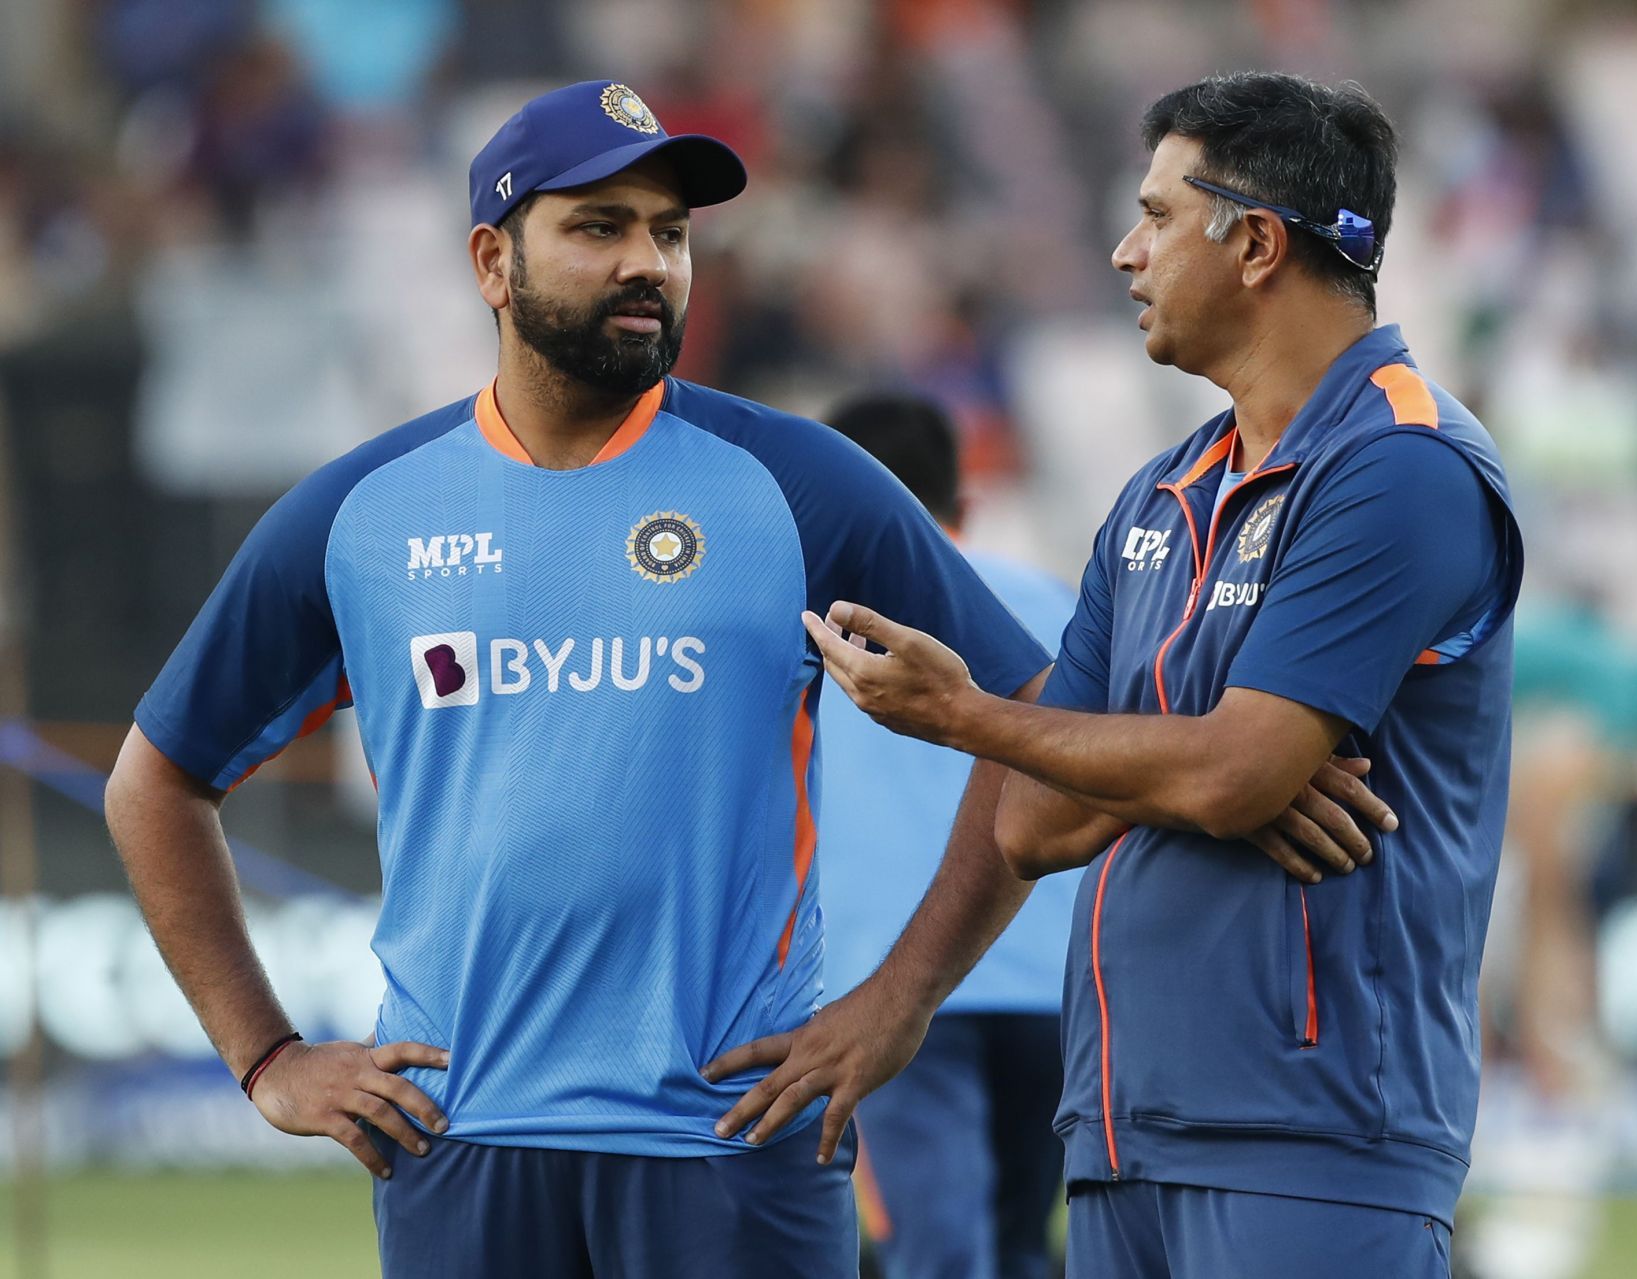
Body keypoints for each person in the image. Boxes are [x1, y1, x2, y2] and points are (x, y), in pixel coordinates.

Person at [103, 79, 1376, 1277]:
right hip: (456, 1144)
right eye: (598, 227)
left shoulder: (801, 484)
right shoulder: (362, 510)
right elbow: (155, 783)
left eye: (669, 231)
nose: (647, 262)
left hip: (734, 1144)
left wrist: (899, 999)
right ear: (493, 262)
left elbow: (1044, 730)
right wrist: (266, 1055)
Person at [778, 72, 1524, 1277]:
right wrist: (1184, 759)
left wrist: (976, 716)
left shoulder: (1403, 465)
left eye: (1159, 216)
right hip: (1122, 1130)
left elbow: (1233, 775)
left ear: (1257, 244)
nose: (1127, 252)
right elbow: (1036, 816)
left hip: (1314, 1132)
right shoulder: (1159, 496)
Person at [815, 392, 1077, 1279]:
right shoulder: (1058, 603)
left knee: (938, 1250)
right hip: (1054, 973)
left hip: (895, 976)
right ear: (962, 506)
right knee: (1018, 1244)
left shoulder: (820, 621)